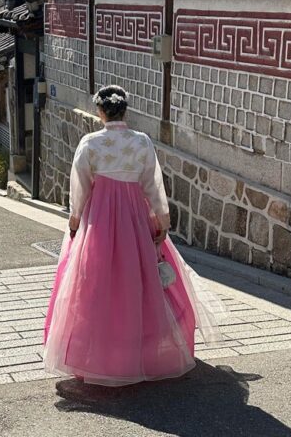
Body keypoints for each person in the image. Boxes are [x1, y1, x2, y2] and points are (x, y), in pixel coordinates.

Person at [43, 85, 224, 394]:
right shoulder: (141, 142)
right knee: (138, 284)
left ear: (100, 111)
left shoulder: (91, 143)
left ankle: (101, 357)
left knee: (97, 285)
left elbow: (81, 187)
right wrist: (160, 222)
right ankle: (141, 354)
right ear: (125, 110)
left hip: (99, 220)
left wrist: (75, 222)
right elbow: (153, 185)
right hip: (134, 218)